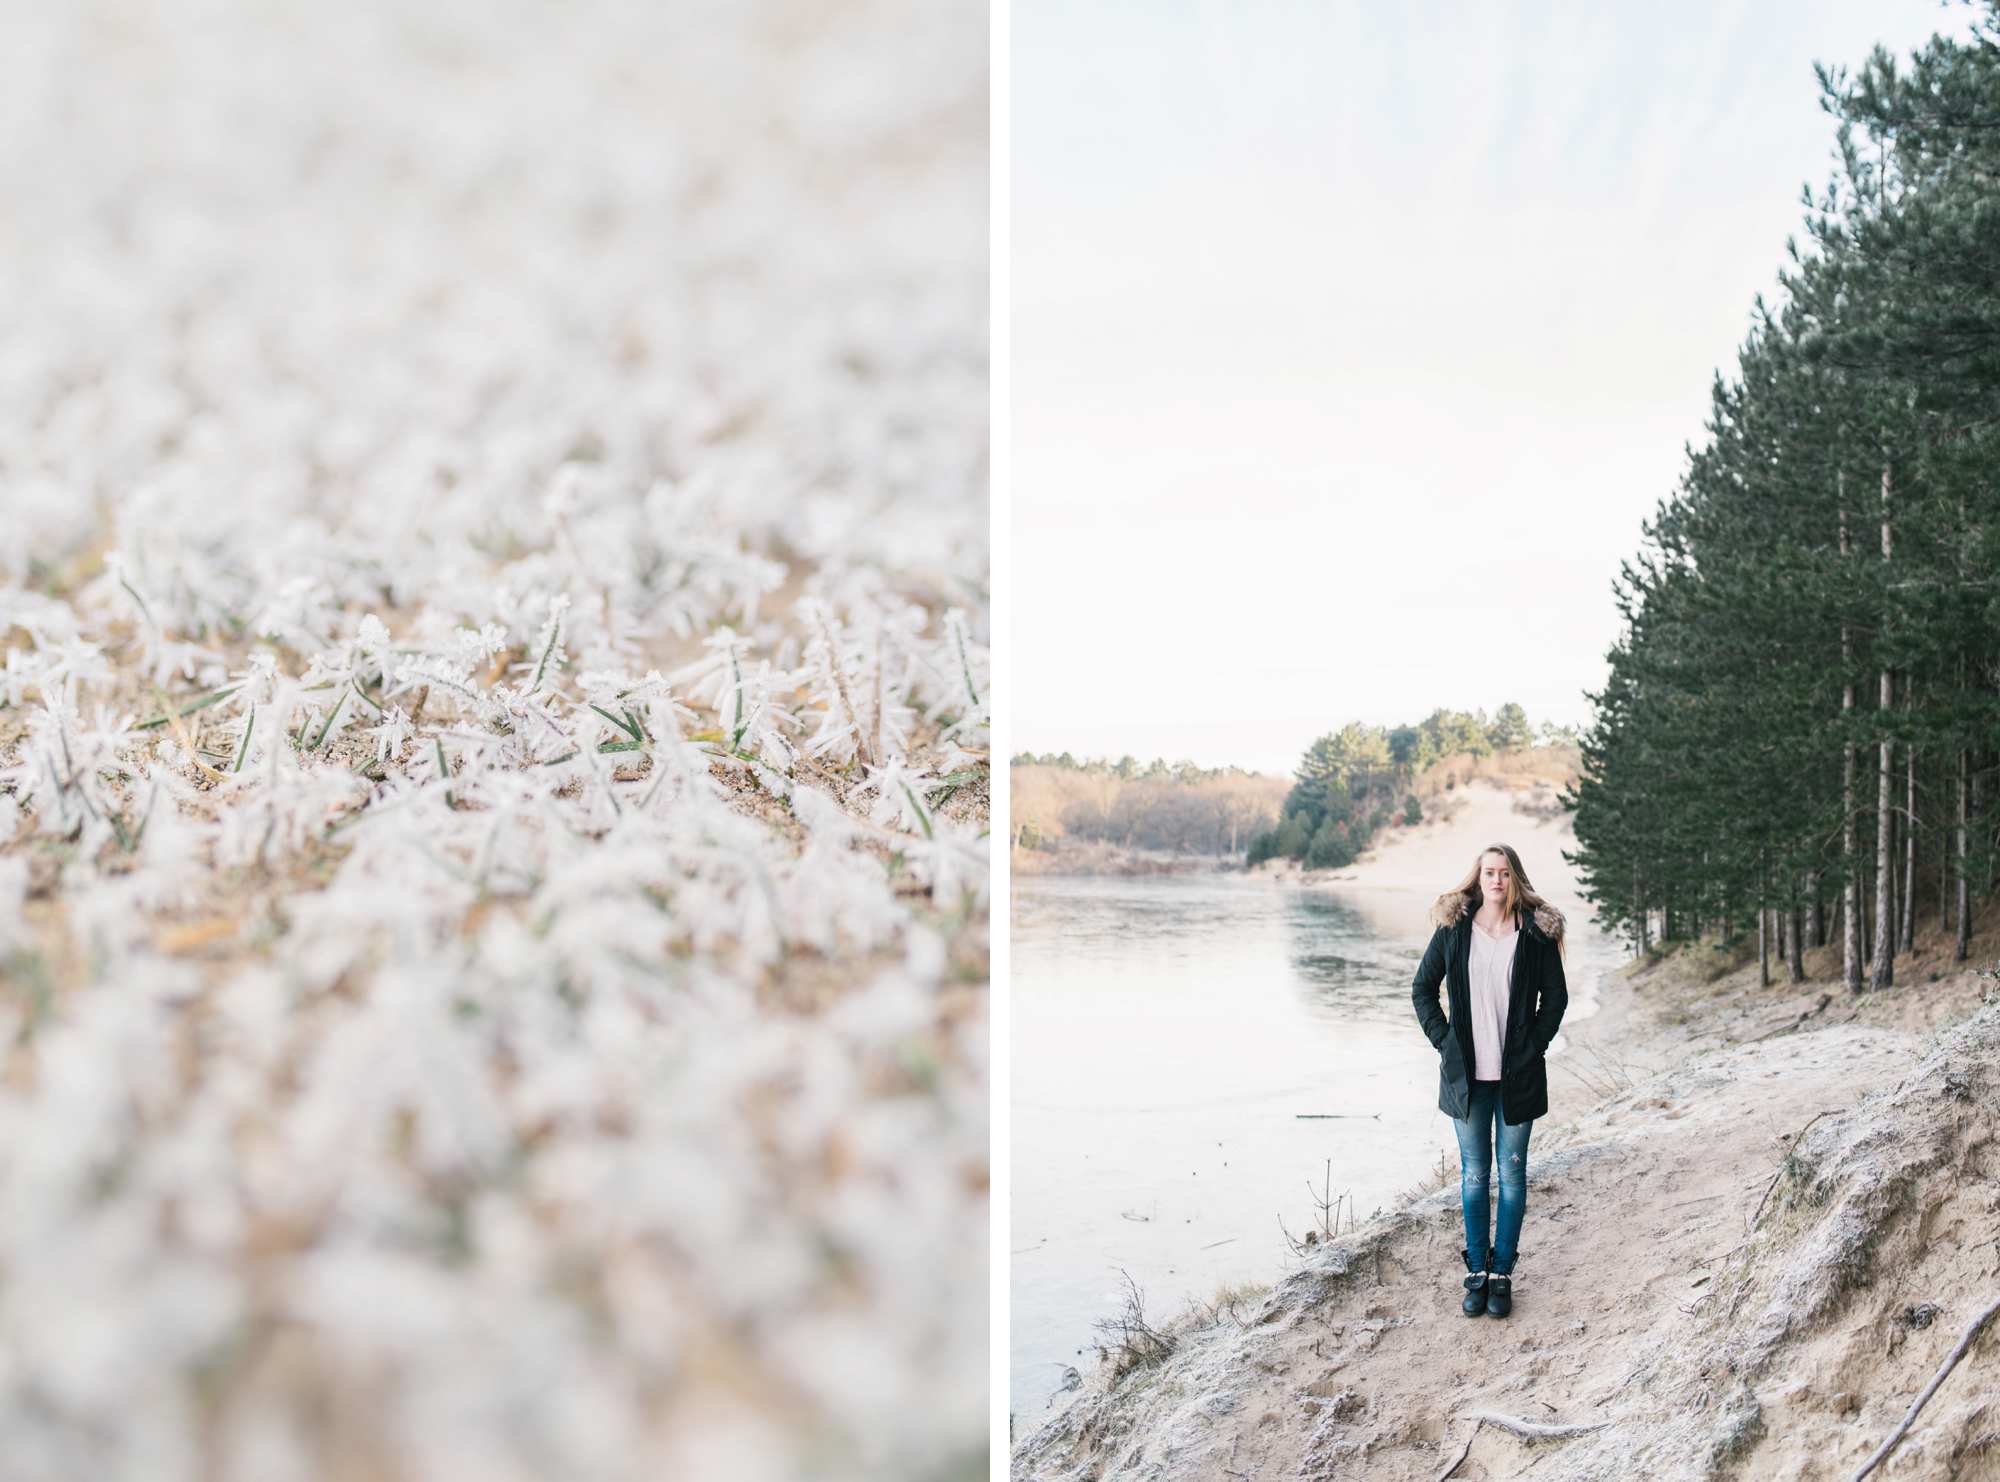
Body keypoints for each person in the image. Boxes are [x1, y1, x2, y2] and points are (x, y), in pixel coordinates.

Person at [1410, 843, 1567, 1319]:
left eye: (1503, 873)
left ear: (1515, 878)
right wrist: (1445, 1043)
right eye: (1488, 873)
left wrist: (1531, 1047)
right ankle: (1476, 1270)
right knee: (1475, 1176)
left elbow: (1555, 1000)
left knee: (1512, 1175)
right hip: (1468, 1079)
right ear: (1477, 880)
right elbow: (1422, 989)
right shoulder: (1455, 930)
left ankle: (1502, 1274)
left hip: (1516, 1077)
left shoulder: (1535, 935)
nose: (1496, 881)